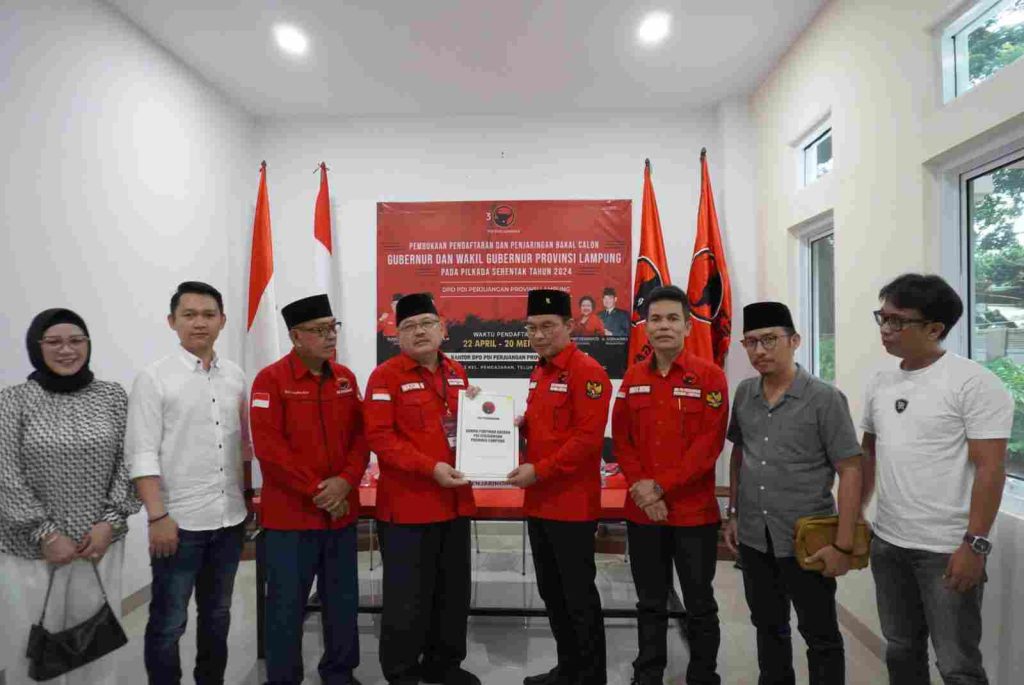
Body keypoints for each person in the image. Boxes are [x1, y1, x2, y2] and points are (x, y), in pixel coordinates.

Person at [861, 274, 1012, 685]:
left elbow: (990, 468)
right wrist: (857, 514)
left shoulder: (974, 383)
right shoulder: (881, 381)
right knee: (901, 648)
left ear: (934, 329)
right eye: (882, 317)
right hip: (888, 543)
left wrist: (975, 545)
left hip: (946, 550)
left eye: (897, 321)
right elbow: (869, 452)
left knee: (957, 665)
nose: (886, 329)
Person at [723, 301, 863, 685]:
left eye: (769, 339)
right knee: (768, 627)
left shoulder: (824, 398)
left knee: (820, 635)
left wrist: (844, 544)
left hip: (808, 539)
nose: (760, 350)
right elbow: (739, 453)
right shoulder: (745, 393)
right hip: (755, 536)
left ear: (794, 341)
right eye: (751, 342)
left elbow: (851, 470)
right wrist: (733, 513)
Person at [0, 308, 140, 685]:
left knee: (94, 641)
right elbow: (5, 475)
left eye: (76, 340)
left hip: (98, 545)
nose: (67, 350)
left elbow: (129, 462)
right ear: (36, 346)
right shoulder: (12, 401)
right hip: (29, 550)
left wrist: (110, 522)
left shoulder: (112, 396)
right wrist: (45, 533)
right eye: (54, 342)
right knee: (31, 647)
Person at [126, 281, 248, 685]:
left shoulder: (235, 377)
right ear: (172, 321)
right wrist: (157, 516)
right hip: (177, 525)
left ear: (222, 321)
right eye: (189, 315)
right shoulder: (154, 378)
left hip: (229, 520)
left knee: (217, 616)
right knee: (168, 622)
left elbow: (242, 447)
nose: (200, 323)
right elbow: (141, 453)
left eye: (209, 315)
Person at [611, 285, 728, 685]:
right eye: (656, 319)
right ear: (645, 326)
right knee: (649, 601)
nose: (663, 326)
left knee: (699, 602)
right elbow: (622, 439)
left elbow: (708, 447)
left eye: (672, 318)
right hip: (643, 513)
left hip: (693, 515)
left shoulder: (709, 377)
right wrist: (644, 491)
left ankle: (703, 674)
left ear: (687, 325)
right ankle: (648, 672)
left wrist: (658, 488)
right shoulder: (632, 378)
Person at [250, 294, 368, 685]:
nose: (330, 336)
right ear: (295, 337)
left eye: (333, 327)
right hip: (292, 519)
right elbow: (270, 450)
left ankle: (339, 673)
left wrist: (345, 481)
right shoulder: (270, 380)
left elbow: (361, 438)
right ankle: (284, 677)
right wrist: (321, 492)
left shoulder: (346, 378)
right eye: (319, 330)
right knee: (286, 606)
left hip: (341, 516)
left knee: (342, 602)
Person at [364, 293, 480, 685]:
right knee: (406, 597)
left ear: (442, 328)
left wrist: (487, 414)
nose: (419, 332)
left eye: (427, 323)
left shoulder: (456, 372)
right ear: (397, 335)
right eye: (409, 326)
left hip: (453, 503)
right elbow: (380, 438)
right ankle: (401, 671)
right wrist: (430, 468)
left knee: (452, 592)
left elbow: (467, 429)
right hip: (407, 508)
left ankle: (444, 665)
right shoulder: (385, 377)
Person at [512, 289, 612, 685]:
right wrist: (515, 428)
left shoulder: (587, 372)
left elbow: (586, 441)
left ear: (569, 326)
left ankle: (590, 677)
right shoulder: (540, 371)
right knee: (552, 593)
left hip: (571, 506)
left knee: (577, 596)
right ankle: (568, 669)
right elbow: (547, 431)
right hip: (539, 502)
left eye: (548, 326)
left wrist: (539, 471)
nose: (538, 335)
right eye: (531, 328)